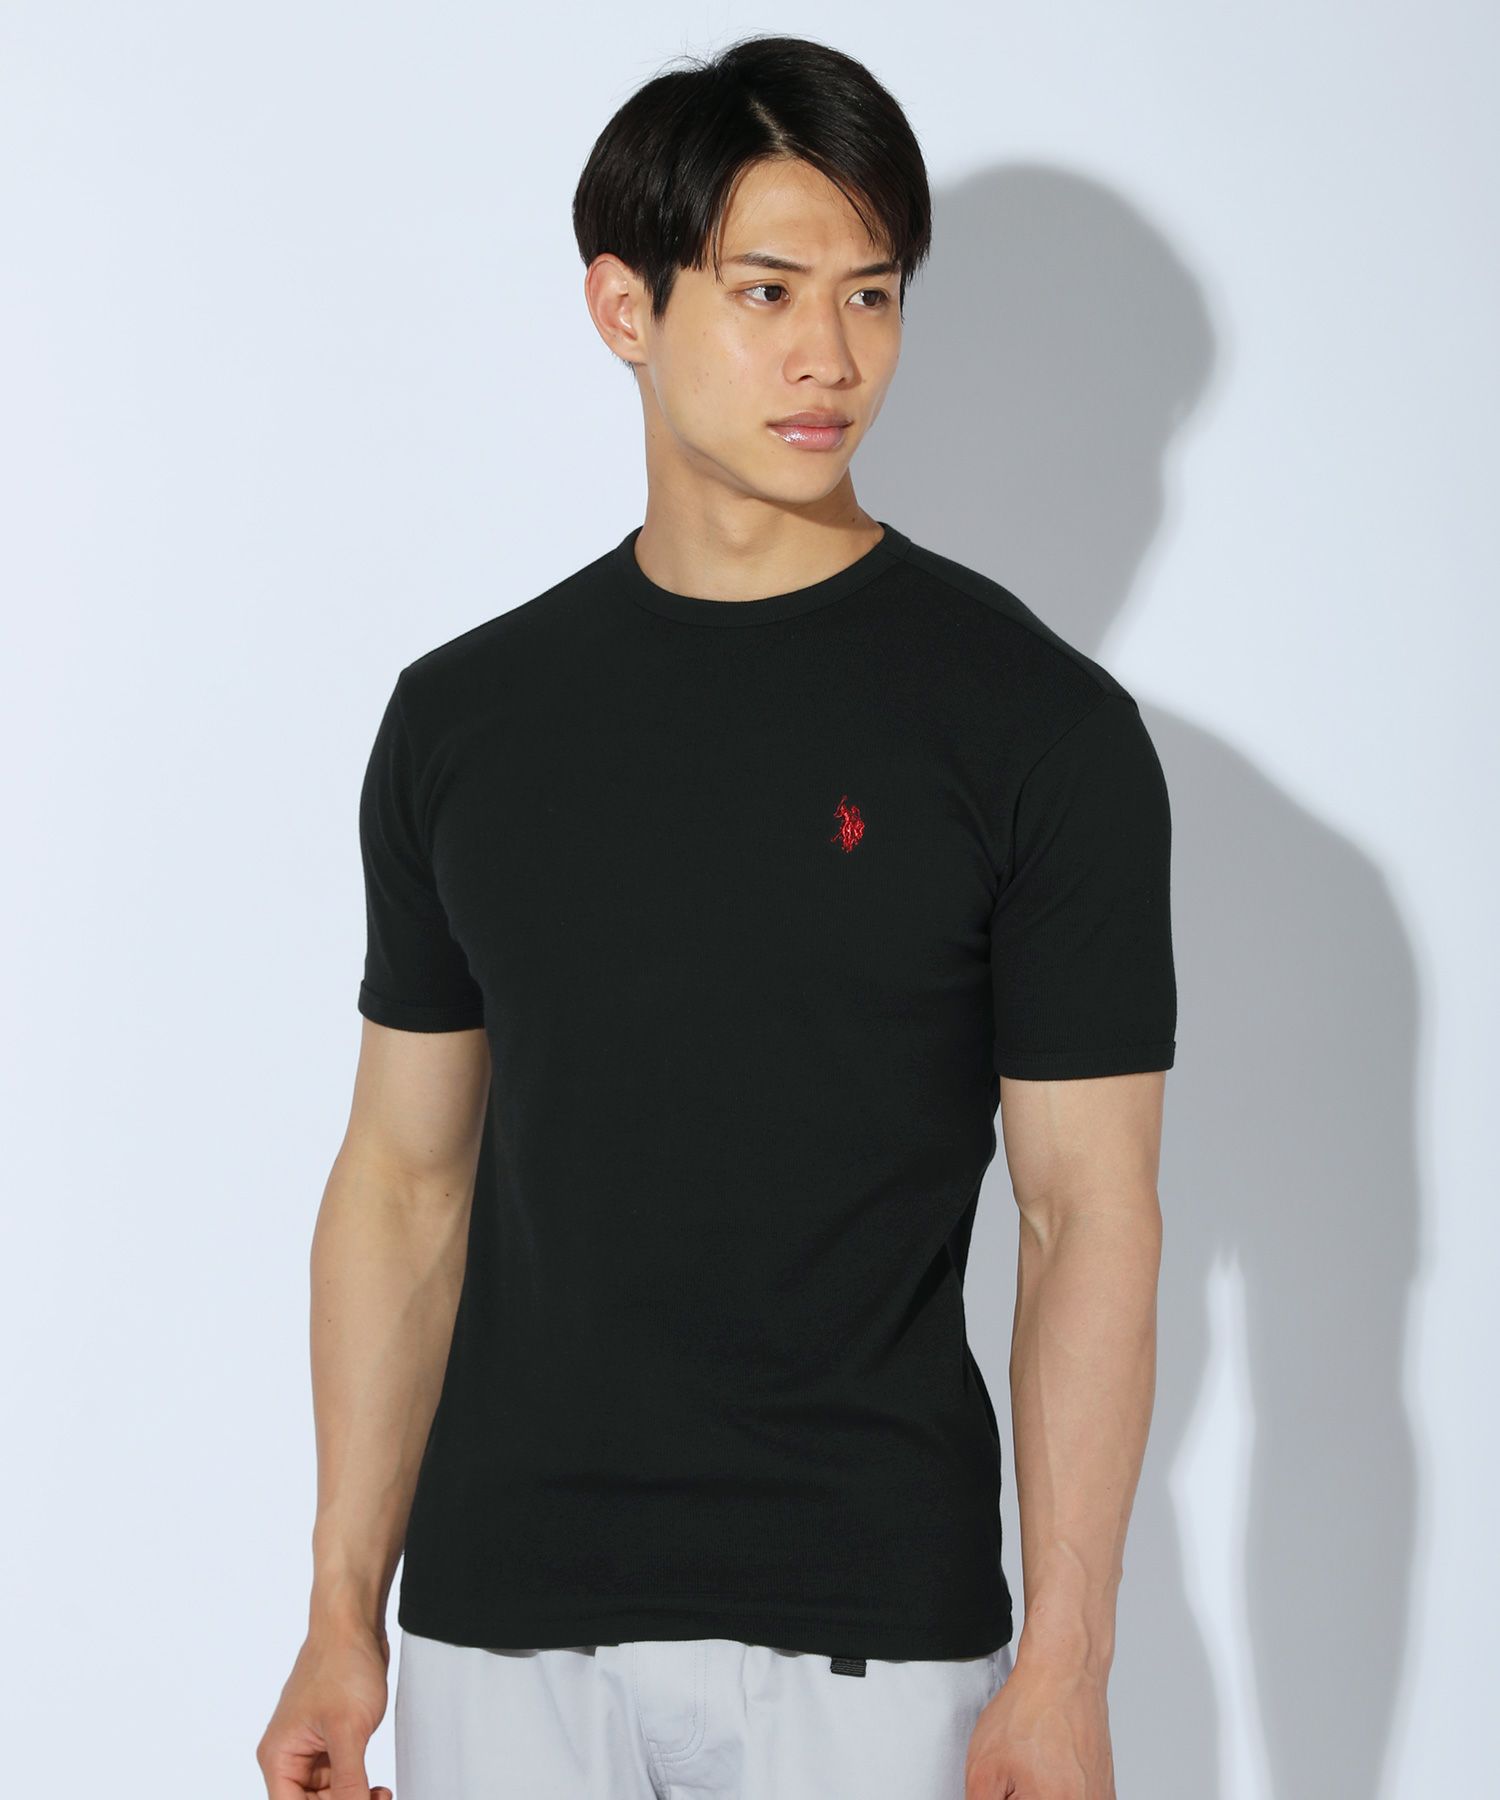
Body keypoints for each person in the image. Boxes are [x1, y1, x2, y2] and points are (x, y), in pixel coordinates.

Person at [256, 32, 1175, 1800]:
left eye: (872, 294)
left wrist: (1066, 1664)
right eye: (768, 291)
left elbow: (1087, 1217)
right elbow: (402, 1182)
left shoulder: (1037, 732)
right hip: (502, 1631)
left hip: (872, 1638)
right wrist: (337, 1613)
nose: (832, 355)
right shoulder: (465, 722)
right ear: (626, 305)